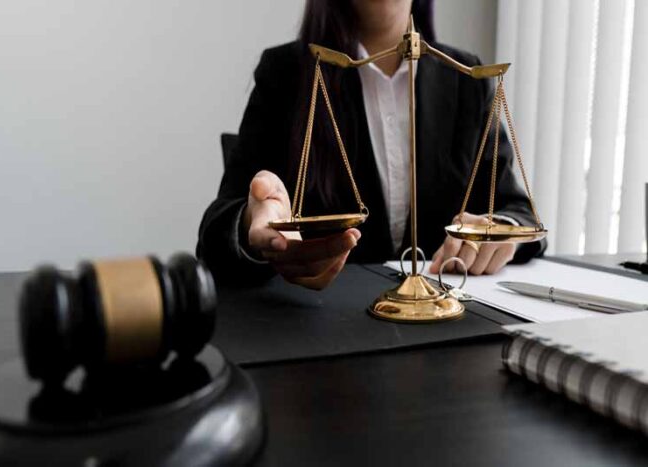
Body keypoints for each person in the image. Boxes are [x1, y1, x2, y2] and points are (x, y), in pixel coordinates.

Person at [197, 0, 546, 289]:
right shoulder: (286, 73)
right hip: (329, 332)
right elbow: (214, 234)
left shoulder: (466, 77)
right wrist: (250, 223)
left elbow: (519, 213)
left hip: (446, 330)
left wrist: (502, 232)